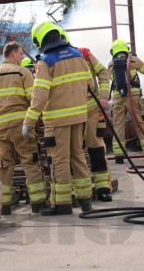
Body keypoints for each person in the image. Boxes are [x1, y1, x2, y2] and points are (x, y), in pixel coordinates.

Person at [23, 21, 93, 216]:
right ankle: (86, 200)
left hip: (57, 121)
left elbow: (39, 95)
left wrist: (29, 121)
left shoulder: (45, 61)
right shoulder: (78, 55)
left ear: (40, 39)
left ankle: (61, 204)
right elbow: (90, 85)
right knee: (78, 156)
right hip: (79, 117)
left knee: (58, 161)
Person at [0, 41, 46, 214]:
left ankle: (4, 206)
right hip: (21, 128)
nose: (23, 57)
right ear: (13, 54)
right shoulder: (22, 72)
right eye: (21, 53)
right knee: (30, 162)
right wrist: (41, 120)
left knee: (3, 166)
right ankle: (37, 203)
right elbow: (34, 99)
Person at [107, 39, 144, 163]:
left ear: (113, 51)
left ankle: (119, 156)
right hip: (133, 97)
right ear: (126, 49)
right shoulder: (133, 60)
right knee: (140, 123)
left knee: (118, 126)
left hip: (118, 98)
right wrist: (135, 59)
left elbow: (110, 77)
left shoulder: (110, 64)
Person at [77, 46, 112, 202]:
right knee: (74, 153)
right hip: (71, 112)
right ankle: (81, 191)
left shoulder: (84, 53)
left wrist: (104, 97)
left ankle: (103, 188)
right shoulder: (52, 59)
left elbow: (103, 72)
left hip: (91, 109)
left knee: (96, 149)